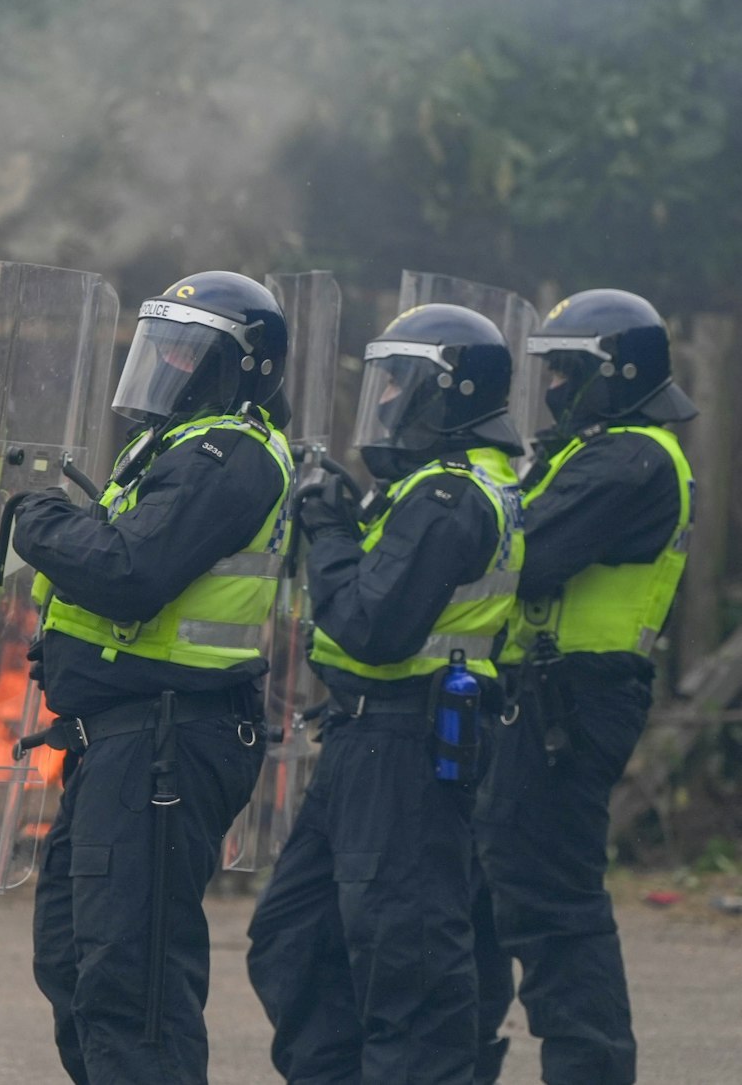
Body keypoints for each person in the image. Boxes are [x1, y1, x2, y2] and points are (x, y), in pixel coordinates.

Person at [10, 271, 293, 1084]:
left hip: (167, 742)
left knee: (134, 987)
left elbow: (131, 571)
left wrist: (39, 519)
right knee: (75, 961)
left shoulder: (228, 454)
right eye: (160, 346)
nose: (167, 364)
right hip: (122, 740)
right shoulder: (173, 448)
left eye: (187, 351)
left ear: (239, 366)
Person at [246, 303, 525, 1085]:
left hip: (407, 744)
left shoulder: (450, 495)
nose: (388, 400)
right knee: (296, 937)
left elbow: (374, 625)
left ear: (451, 392)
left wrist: (331, 531)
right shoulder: (425, 488)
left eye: (402, 384)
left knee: (408, 962)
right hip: (362, 739)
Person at [472, 289, 696, 1085]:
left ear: (619, 372)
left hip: (573, 700)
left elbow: (524, 554)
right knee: (483, 888)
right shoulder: (586, 452)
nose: (556, 385)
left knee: (552, 903)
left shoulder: (631, 459)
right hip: (538, 695)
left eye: (570, 369)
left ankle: (590, 1070)